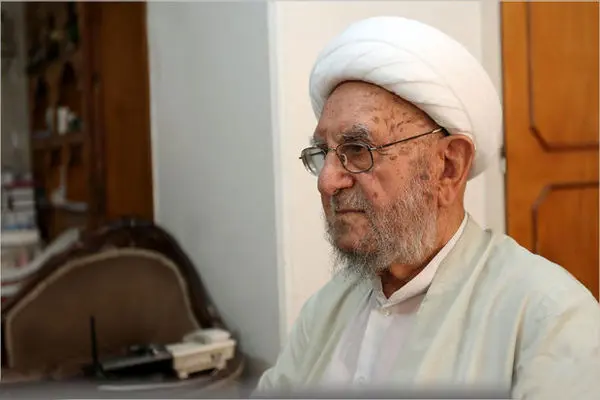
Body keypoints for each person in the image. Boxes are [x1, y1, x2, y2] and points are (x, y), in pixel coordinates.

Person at [255, 16, 600, 399]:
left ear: (448, 167)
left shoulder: (548, 317)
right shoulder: (326, 309)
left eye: (358, 150)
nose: (327, 181)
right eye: (323, 152)